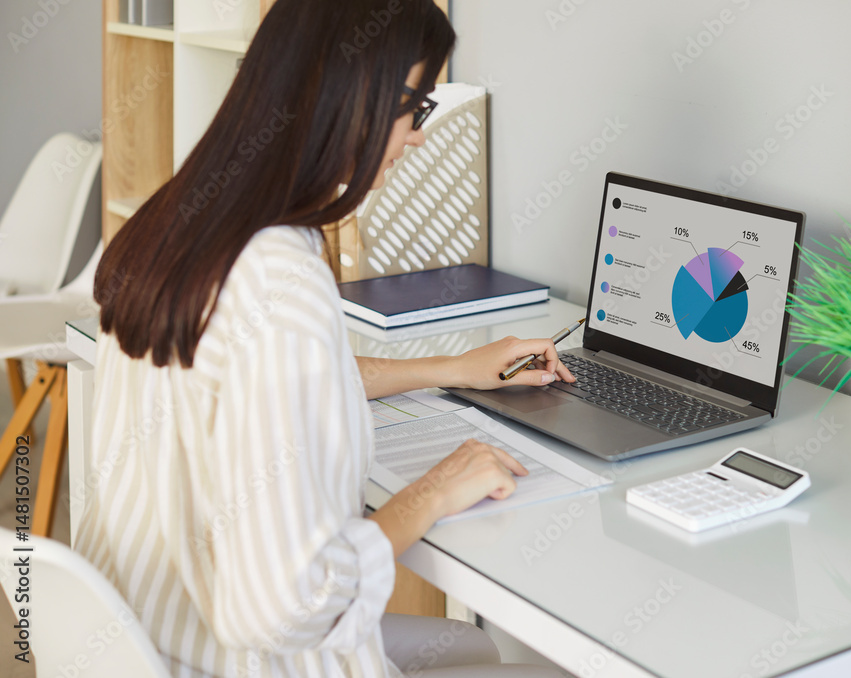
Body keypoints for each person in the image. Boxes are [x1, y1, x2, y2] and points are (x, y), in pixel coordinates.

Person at [76, 0, 573, 676]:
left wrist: (451, 368)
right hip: (241, 656)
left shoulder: (182, 228)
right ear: (358, 99)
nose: (417, 137)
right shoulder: (282, 280)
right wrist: (432, 493)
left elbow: (260, 382)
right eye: (416, 109)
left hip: (147, 634)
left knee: (471, 648)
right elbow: (283, 606)